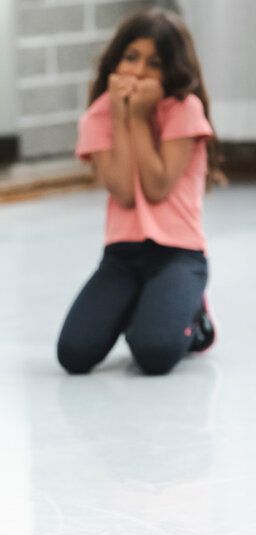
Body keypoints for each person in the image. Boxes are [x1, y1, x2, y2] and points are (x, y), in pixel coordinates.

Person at [57, 8, 223, 376]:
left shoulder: (184, 109)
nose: (138, 71)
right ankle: (147, 302)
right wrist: (121, 115)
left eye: (154, 63)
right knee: (74, 353)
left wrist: (138, 118)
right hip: (122, 257)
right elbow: (124, 193)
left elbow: (156, 186)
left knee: (154, 353)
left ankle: (194, 314)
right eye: (131, 57)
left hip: (179, 255)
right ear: (115, 61)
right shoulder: (99, 115)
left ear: (172, 71)